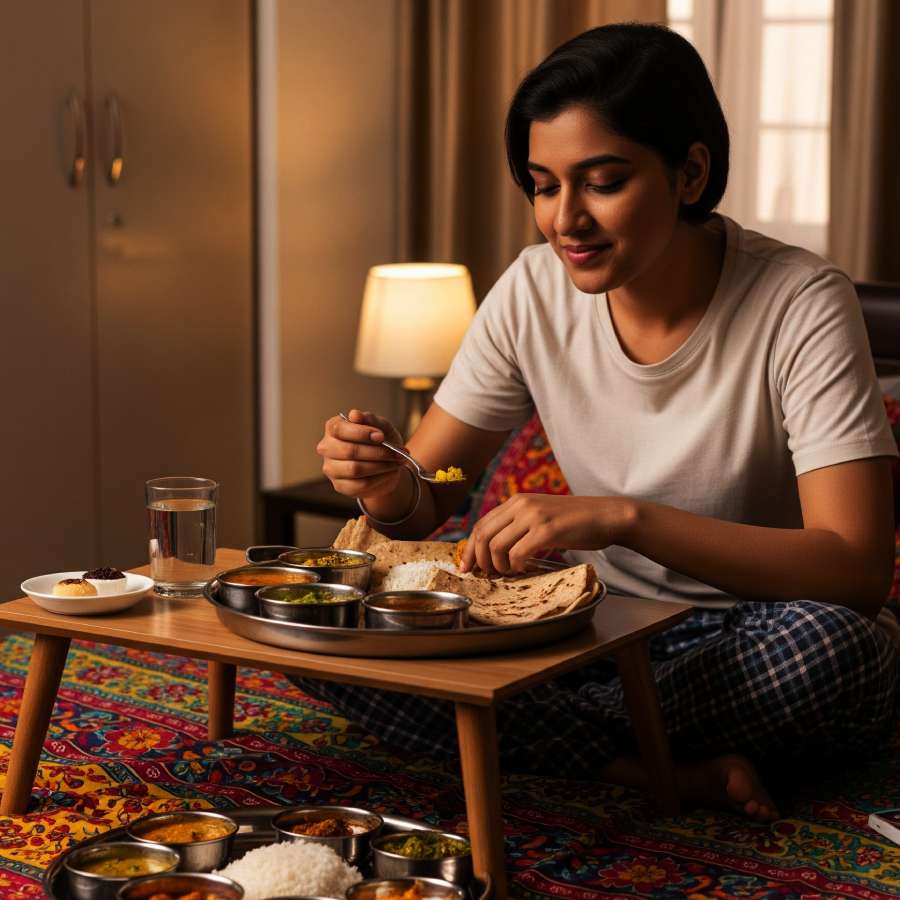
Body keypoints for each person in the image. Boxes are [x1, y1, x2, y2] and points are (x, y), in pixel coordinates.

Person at [312, 23, 898, 821]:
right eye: (543, 184)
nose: (565, 221)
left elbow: (855, 569)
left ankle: (528, 731)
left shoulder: (801, 302)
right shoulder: (530, 290)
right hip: (579, 631)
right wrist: (382, 483)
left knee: (837, 652)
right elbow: (432, 494)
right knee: (322, 615)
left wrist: (625, 519)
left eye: (602, 181)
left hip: (742, 639)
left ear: (690, 172)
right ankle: (651, 766)